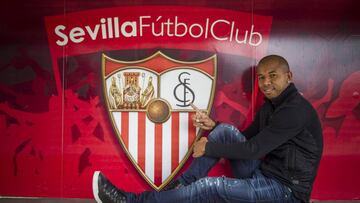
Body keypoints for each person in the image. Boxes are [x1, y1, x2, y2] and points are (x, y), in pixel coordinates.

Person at [92, 55, 323, 203]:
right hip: (265, 176)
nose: (266, 83)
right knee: (226, 132)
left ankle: (131, 202)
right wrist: (214, 126)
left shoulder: (294, 110)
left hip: (284, 193)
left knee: (210, 186)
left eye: (273, 76)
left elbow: (253, 149)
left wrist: (207, 146)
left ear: (289, 77)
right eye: (261, 77)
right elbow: (246, 138)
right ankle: (181, 187)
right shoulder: (271, 106)